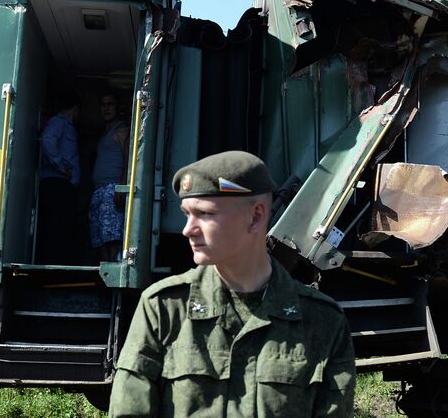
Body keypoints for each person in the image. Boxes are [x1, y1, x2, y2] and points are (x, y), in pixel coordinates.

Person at [109, 151, 356, 417]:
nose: (187, 229)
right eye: (187, 214)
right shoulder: (165, 309)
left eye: (204, 214)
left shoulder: (321, 321)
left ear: (256, 216)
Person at [36, 91, 81, 264]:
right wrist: (61, 167)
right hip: (57, 185)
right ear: (75, 109)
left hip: (63, 186)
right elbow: (47, 140)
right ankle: (52, 266)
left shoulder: (67, 126)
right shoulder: (59, 122)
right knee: (56, 228)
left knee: (61, 228)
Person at [89, 93, 129, 262]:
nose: (106, 108)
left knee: (112, 239)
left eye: (110, 104)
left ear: (117, 107)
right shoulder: (105, 132)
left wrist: (121, 185)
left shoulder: (121, 130)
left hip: (111, 190)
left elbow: (128, 158)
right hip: (98, 191)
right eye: (103, 104)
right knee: (100, 241)